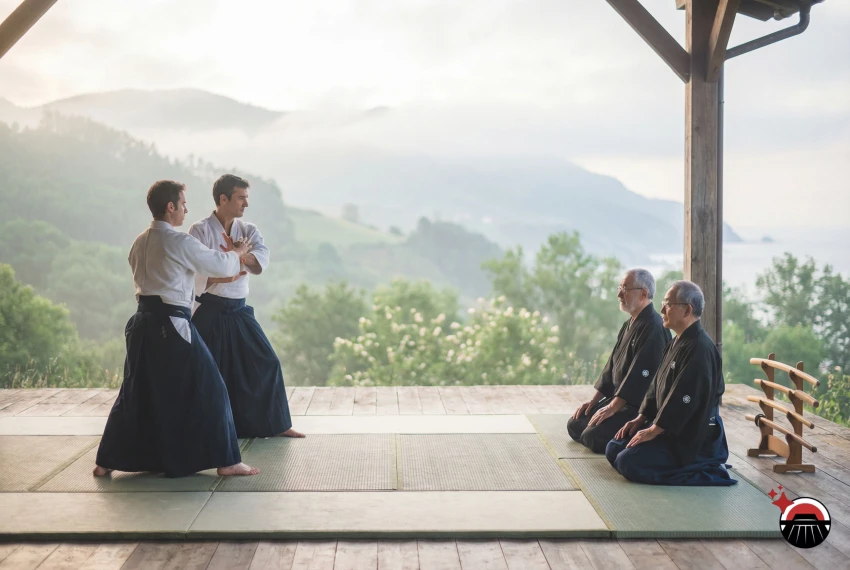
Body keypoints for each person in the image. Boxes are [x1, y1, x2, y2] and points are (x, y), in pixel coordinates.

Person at [94, 180, 260, 478]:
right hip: (170, 324)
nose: (186, 209)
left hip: (141, 323)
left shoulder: (140, 241)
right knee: (212, 387)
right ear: (170, 207)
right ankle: (227, 461)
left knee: (137, 390)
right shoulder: (178, 241)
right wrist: (238, 251)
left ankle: (107, 460)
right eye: (183, 204)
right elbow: (219, 265)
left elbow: (175, 278)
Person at [188, 174, 302, 438]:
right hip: (211, 309)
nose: (245, 204)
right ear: (223, 199)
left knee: (268, 362)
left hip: (239, 310)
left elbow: (261, 256)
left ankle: (277, 423)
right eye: (241, 198)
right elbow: (198, 270)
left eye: (246, 198)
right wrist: (235, 260)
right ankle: (208, 429)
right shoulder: (200, 230)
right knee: (207, 370)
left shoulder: (248, 230)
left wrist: (234, 259)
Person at [605, 280, 736, 486]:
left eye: (668, 304)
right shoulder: (677, 340)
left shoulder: (700, 348)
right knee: (614, 448)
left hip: (693, 436)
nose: (662, 309)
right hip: (670, 427)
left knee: (627, 462)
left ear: (687, 310)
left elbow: (685, 398)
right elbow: (656, 385)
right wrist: (641, 419)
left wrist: (654, 429)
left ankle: (708, 470)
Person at [567, 269, 671, 453]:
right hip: (618, 399)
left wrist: (612, 407)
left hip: (638, 407)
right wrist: (595, 401)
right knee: (575, 424)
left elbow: (640, 376)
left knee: (591, 437)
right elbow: (611, 366)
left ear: (643, 294)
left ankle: (640, 428)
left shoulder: (654, 327)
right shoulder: (629, 323)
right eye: (620, 287)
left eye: (625, 289)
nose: (619, 294)